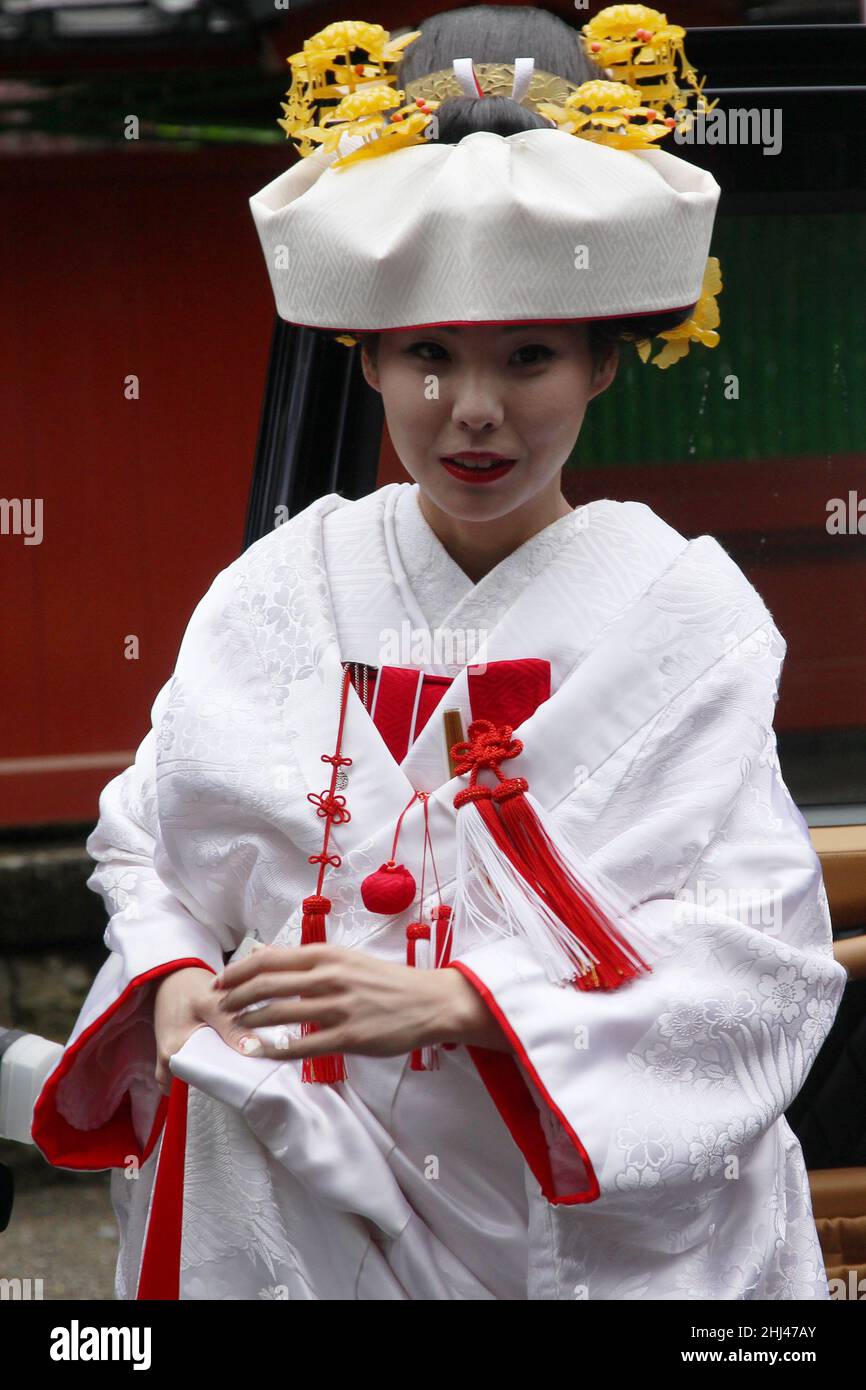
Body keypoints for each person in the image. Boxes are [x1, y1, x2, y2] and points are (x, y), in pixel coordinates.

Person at [29, 5, 846, 1301]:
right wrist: (176, 980)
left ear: (600, 363)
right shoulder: (280, 590)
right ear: (364, 358)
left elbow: (759, 958)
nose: (472, 408)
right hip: (292, 1201)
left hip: (572, 1217)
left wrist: (481, 1007)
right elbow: (150, 845)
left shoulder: (677, 618)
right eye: (425, 355)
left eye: (526, 356)